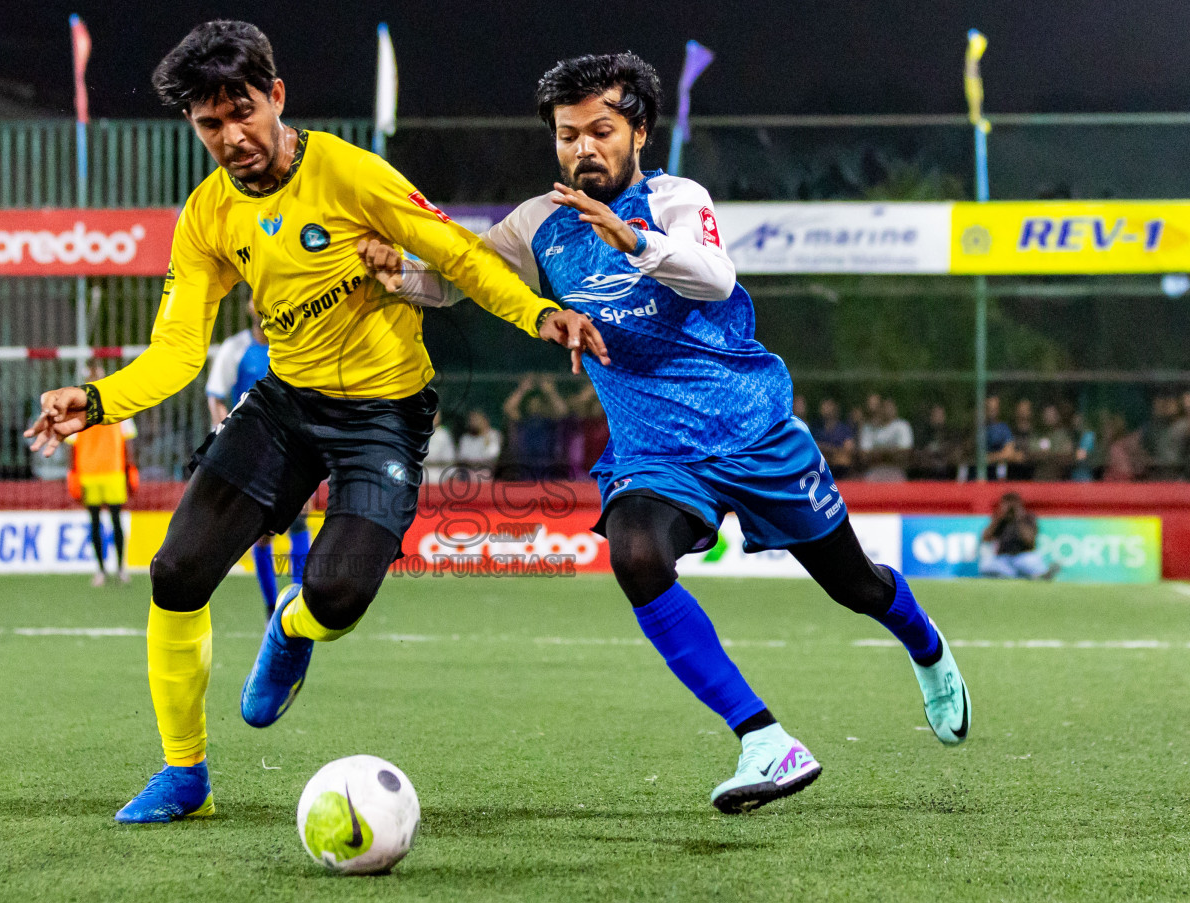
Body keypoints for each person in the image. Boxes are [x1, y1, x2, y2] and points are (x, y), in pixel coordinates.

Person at [24, 21, 605, 824]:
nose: (231, 137)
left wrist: (542, 315)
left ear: (277, 97)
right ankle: (184, 774)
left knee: (335, 597)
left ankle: (290, 627)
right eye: (209, 124)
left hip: (385, 413)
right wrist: (94, 402)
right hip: (284, 408)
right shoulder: (207, 217)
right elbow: (178, 351)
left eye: (242, 112)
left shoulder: (349, 173)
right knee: (175, 572)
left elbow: (463, 256)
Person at [365, 52, 968, 814]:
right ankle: (763, 740)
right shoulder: (537, 223)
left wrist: (631, 240)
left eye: (602, 131)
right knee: (637, 553)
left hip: (752, 431)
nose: (584, 148)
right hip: (655, 451)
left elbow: (714, 276)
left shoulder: (676, 197)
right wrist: (399, 274)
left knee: (854, 586)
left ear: (639, 132)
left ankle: (927, 647)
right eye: (567, 134)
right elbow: (459, 279)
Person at [204, 299, 309, 615]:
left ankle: (299, 601)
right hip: (252, 450)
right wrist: (227, 433)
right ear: (250, 308)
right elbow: (215, 396)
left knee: (299, 518)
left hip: (293, 447)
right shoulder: (235, 349)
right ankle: (270, 608)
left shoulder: (295, 347)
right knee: (262, 533)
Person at [67, 363, 137, 587]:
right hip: (89, 472)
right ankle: (100, 570)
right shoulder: (78, 409)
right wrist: (73, 473)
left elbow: (128, 440)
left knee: (116, 520)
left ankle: (120, 568)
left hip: (113, 470)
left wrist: (130, 468)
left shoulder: (116, 404)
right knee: (95, 521)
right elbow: (73, 443)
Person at [503, 373, 570, 479]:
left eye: (538, 403)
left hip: (547, 464)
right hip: (525, 464)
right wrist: (522, 389)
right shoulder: (523, 421)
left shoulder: (549, 421)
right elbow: (508, 408)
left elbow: (562, 411)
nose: (535, 406)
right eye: (532, 403)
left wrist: (550, 392)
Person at [979, 492, 1058, 579]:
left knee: (1032, 562)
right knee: (986, 566)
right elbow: (985, 538)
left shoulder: (1028, 518)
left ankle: (1034, 575)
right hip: (1003, 558)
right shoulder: (1000, 519)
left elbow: (1030, 540)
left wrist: (1019, 518)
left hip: (1023, 556)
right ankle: (1023, 576)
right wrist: (999, 518)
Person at [858, 397, 913, 482]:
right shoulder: (869, 428)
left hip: (896, 472)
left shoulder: (902, 426)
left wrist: (878, 453)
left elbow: (905, 453)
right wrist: (890, 453)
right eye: (885, 407)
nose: (888, 410)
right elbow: (864, 455)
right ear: (880, 409)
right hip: (874, 472)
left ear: (895, 409)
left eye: (891, 407)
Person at [811, 398, 856, 476]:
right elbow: (812, 448)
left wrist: (826, 450)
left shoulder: (844, 429)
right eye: (824, 406)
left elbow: (848, 451)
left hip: (840, 469)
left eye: (828, 406)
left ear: (835, 409)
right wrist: (835, 451)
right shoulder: (816, 429)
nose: (825, 409)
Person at [1031, 405, 1076, 481]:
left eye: (1052, 415)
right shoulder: (1037, 435)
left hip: (1058, 478)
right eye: (1047, 415)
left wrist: (1047, 455)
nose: (1049, 417)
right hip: (1039, 478)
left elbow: (1068, 456)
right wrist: (1055, 455)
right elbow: (1031, 455)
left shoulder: (1063, 436)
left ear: (1057, 417)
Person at [455, 410, 503, 480]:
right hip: (468, 473)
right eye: (472, 420)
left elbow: (493, 455)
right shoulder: (466, 438)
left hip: (488, 473)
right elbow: (463, 456)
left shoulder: (493, 435)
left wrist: (486, 439)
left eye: (477, 419)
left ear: (485, 420)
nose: (474, 422)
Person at [983, 395, 1018, 480]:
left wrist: (989, 458)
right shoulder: (978, 429)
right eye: (989, 408)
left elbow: (1009, 453)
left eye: (994, 408)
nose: (992, 411)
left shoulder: (1003, 429)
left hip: (998, 476)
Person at [422, 410, 457, 485]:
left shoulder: (443, 434)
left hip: (437, 478)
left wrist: (451, 476)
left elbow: (449, 457)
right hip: (419, 477)